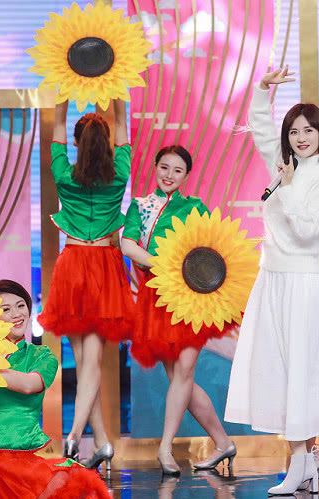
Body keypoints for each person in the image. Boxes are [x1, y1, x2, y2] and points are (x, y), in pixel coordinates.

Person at [224, 66, 319, 496]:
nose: (300, 137)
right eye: (294, 131)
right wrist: (262, 89)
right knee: (278, 370)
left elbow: (310, 230)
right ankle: (306, 459)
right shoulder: (283, 167)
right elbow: (260, 128)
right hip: (272, 279)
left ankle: (301, 462)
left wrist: (291, 187)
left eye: (308, 130)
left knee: (300, 371)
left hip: (302, 281)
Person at [121, 145, 236, 475]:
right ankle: (223, 442)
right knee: (180, 379)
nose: (169, 175)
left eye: (177, 170)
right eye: (164, 167)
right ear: (155, 167)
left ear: (186, 176)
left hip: (191, 300)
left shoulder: (194, 207)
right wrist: (162, 265)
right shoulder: (140, 206)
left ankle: (164, 448)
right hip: (157, 298)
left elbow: (212, 250)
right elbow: (128, 244)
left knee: (183, 372)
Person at [37, 99, 134, 467]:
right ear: (107, 143)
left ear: (77, 143)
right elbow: (122, 125)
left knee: (84, 361)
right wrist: (118, 97)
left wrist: (62, 97)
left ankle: (77, 435)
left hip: (73, 265)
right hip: (104, 266)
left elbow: (57, 130)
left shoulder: (64, 174)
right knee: (88, 361)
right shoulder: (120, 174)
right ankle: (95, 440)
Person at [0, 279, 110, 498]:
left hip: (20, 456)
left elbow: (30, 385)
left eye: (21, 306)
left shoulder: (41, 356)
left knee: (77, 484)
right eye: (6, 309)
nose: (16, 314)